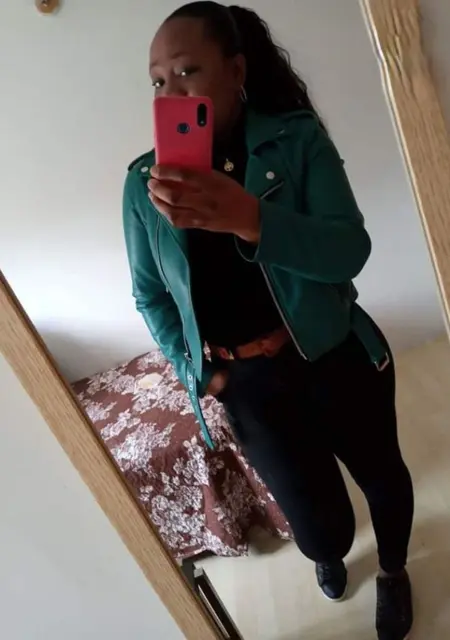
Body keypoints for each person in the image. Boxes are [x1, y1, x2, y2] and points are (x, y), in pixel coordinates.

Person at [123, 3, 414, 638]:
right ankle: (329, 553)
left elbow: (349, 249)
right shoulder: (145, 185)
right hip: (248, 384)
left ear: (235, 71)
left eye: (187, 71)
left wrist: (251, 218)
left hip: (333, 353)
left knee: (383, 477)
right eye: (158, 81)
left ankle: (394, 570)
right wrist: (197, 372)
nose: (171, 93)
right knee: (318, 527)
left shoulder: (296, 140)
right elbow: (151, 297)